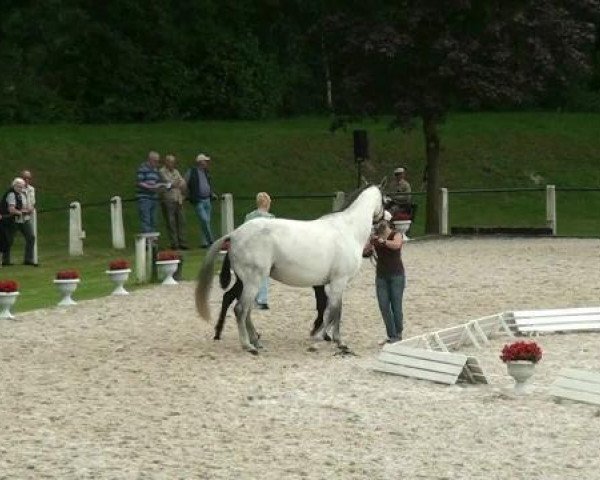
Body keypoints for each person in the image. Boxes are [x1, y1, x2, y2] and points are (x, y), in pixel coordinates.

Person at [370, 218, 405, 345]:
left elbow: (396, 245)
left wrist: (383, 242)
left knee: (396, 305)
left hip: (396, 275)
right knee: (384, 306)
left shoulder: (396, 234)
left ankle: (398, 333)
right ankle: (392, 334)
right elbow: (366, 250)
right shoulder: (375, 238)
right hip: (381, 276)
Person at [244, 192, 275, 309]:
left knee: (251, 275)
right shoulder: (271, 219)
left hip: (252, 249)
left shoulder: (249, 217)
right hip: (264, 250)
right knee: (264, 275)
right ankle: (262, 300)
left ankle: (251, 298)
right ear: (267, 204)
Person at [0, 177, 36, 266]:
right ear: (14, 186)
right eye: (19, 187)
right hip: (12, 221)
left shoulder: (22, 194)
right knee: (8, 240)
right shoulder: (11, 194)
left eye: (22, 187)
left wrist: (29, 209)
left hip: (23, 220)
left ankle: (28, 259)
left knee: (31, 237)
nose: (21, 188)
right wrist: (21, 212)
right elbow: (11, 209)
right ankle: (5, 260)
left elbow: (24, 205)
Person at [185, 153, 217, 248]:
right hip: (198, 200)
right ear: (200, 162)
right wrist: (186, 194)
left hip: (207, 199)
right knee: (205, 220)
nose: (207, 163)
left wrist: (211, 193)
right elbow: (184, 182)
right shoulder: (192, 171)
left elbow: (207, 185)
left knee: (206, 221)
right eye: (205, 161)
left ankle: (204, 242)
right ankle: (211, 241)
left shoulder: (206, 172)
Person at [159, 154, 188, 250]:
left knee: (181, 221)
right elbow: (169, 183)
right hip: (168, 200)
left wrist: (177, 184)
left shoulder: (176, 171)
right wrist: (175, 183)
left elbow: (182, 183)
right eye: (170, 162)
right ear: (166, 162)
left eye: (173, 162)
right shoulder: (162, 171)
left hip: (178, 199)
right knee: (171, 223)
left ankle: (182, 242)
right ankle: (174, 243)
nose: (172, 164)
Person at [136, 151, 163, 233]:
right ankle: (147, 242)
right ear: (150, 160)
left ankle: (153, 242)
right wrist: (150, 187)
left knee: (154, 220)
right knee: (146, 220)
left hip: (154, 197)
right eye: (156, 161)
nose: (157, 163)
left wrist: (160, 186)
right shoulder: (142, 168)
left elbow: (158, 182)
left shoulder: (156, 170)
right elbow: (139, 182)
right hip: (144, 198)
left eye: (158, 161)